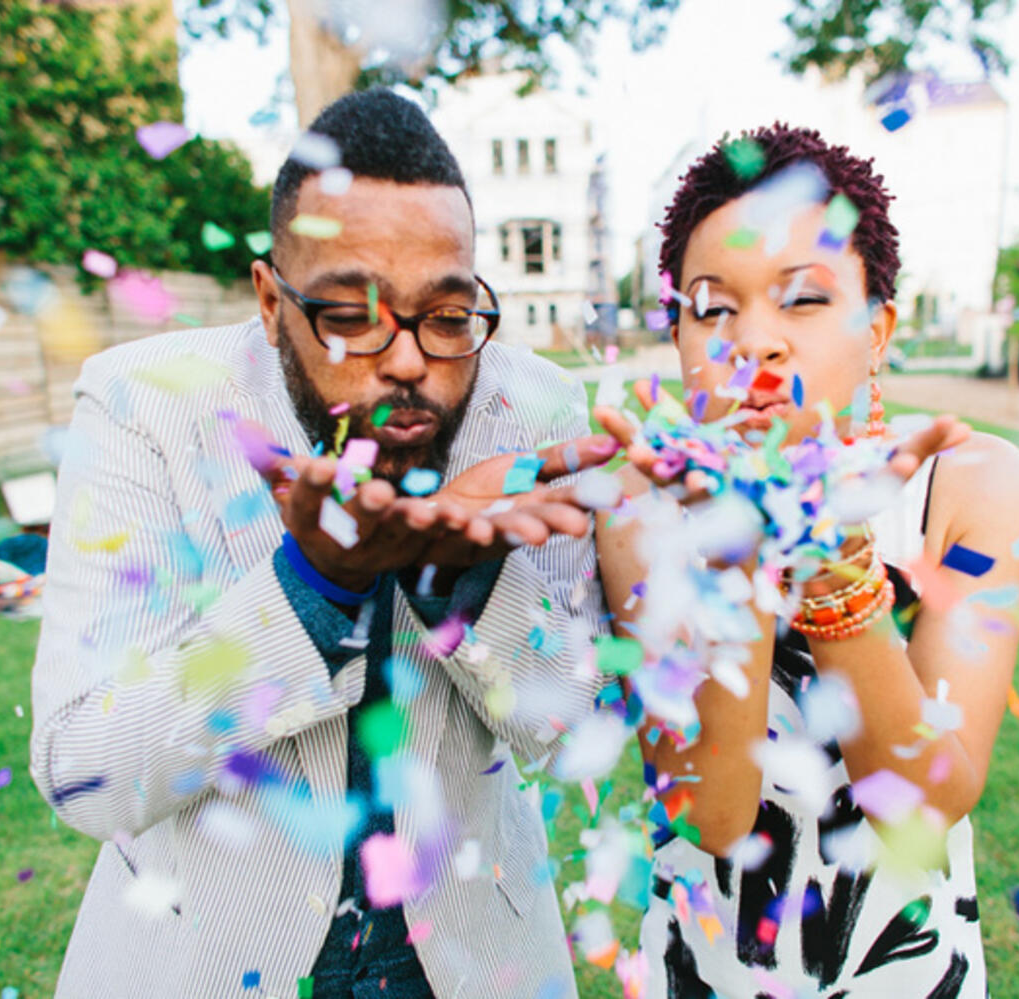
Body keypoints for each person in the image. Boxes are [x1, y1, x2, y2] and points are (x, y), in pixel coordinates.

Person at [30, 89, 615, 998]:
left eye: (450, 315)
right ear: (271, 300)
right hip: (208, 963)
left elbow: (566, 726)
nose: (410, 360)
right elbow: (85, 775)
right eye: (350, 313)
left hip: (470, 960)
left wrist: (460, 582)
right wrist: (312, 589)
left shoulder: (534, 411)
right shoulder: (144, 405)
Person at [595, 124, 1019, 997]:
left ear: (878, 329)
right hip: (706, 969)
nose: (752, 342)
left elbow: (924, 800)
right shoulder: (637, 516)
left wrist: (835, 568)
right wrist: (739, 557)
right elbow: (714, 816)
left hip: (906, 969)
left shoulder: (969, 484)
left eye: (801, 298)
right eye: (713, 306)